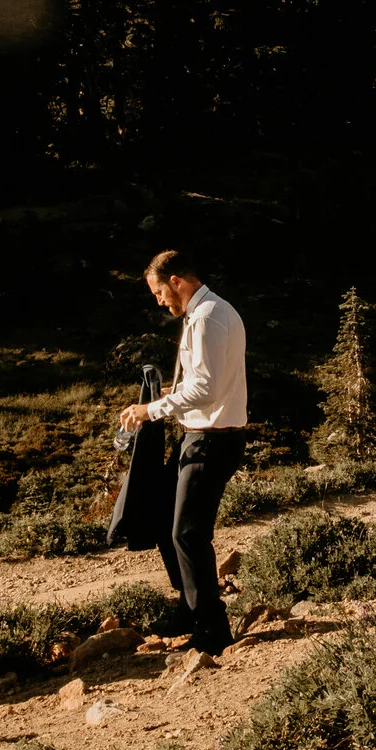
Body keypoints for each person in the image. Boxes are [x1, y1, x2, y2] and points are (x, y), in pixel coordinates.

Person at [115, 250, 248, 658]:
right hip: (203, 434)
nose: (159, 301)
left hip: (212, 439)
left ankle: (211, 628)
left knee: (188, 533)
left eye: (159, 291)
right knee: (163, 520)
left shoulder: (207, 316)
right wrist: (173, 395)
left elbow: (206, 389)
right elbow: (208, 383)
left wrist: (152, 410)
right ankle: (190, 608)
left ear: (176, 281)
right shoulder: (210, 311)